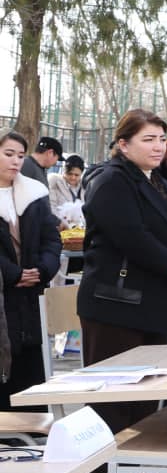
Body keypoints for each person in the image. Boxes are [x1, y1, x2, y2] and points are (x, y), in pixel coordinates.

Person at [77, 109, 167, 431]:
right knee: (114, 405)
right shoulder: (110, 181)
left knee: (145, 403)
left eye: (161, 139)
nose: (158, 146)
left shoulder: (160, 182)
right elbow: (131, 236)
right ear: (124, 144)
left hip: (153, 304)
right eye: (148, 139)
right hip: (115, 307)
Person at [0, 131, 61, 409]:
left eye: (21, 156)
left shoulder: (34, 194)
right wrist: (13, 274)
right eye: (8, 154)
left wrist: (43, 268)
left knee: (31, 363)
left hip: (31, 294)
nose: (15, 162)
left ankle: (33, 433)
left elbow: (52, 238)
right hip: (4, 296)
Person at [48, 154, 85, 222]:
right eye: (69, 174)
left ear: (81, 174)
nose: (73, 177)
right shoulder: (54, 182)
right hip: (60, 226)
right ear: (64, 171)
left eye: (76, 175)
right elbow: (51, 207)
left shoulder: (85, 186)